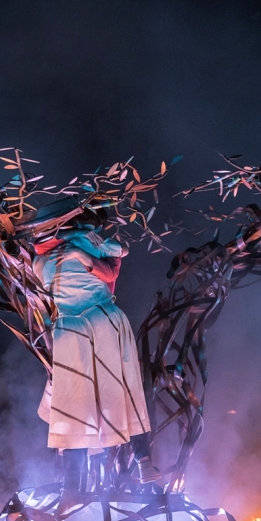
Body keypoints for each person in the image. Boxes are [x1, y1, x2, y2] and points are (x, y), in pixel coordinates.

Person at [32, 209, 155, 492]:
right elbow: (115, 260)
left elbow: (117, 255)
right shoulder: (65, 249)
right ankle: (134, 461)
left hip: (84, 325)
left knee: (95, 397)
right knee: (98, 397)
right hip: (86, 325)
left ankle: (132, 461)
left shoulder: (63, 249)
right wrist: (86, 257)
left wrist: (85, 257)